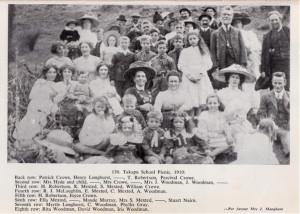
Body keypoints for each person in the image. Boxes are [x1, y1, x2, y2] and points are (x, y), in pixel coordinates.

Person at [13, 65, 59, 141]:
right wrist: (48, 95)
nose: (52, 74)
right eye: (50, 72)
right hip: (36, 106)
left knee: (38, 128)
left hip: (46, 109)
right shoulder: (41, 82)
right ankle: (23, 141)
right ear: (46, 74)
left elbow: (56, 100)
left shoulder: (56, 85)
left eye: (54, 72)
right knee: (30, 126)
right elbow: (31, 96)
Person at [178, 30, 214, 117]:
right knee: (191, 98)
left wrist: (201, 74)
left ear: (198, 39)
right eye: (190, 39)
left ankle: (199, 118)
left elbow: (208, 64)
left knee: (200, 97)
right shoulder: (185, 51)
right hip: (188, 77)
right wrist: (188, 75)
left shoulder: (203, 50)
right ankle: (191, 119)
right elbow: (181, 65)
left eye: (194, 38)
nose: (192, 40)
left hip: (201, 77)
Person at [210, 6, 247, 90]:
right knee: (223, 84)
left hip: (235, 62)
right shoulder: (215, 33)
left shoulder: (237, 32)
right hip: (222, 62)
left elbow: (243, 48)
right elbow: (212, 51)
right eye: (224, 14)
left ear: (232, 17)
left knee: (236, 83)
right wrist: (215, 66)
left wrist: (242, 64)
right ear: (220, 16)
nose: (226, 16)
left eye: (229, 15)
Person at [214, 64, 256, 137]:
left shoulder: (243, 95)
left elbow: (243, 113)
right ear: (228, 79)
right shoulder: (221, 93)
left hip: (239, 123)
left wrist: (239, 120)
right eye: (232, 77)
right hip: (223, 122)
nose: (235, 79)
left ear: (240, 80)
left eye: (237, 78)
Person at [231, 11, 261, 114]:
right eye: (235, 23)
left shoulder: (249, 34)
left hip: (250, 62)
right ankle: (243, 110)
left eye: (239, 22)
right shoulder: (230, 36)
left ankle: (254, 109)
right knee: (240, 85)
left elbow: (257, 47)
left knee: (252, 84)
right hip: (237, 63)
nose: (237, 25)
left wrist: (249, 51)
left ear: (242, 23)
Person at [257, 72, 290, 155]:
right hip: (272, 127)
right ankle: (288, 151)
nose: (277, 86)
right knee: (284, 134)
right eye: (275, 83)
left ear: (285, 82)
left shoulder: (290, 96)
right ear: (272, 82)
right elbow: (261, 114)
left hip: (287, 125)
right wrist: (267, 121)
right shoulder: (265, 96)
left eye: (280, 83)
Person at [196, 94, 233, 160]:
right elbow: (202, 128)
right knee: (197, 133)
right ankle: (213, 152)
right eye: (210, 103)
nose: (212, 105)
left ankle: (211, 155)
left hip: (219, 137)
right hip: (208, 137)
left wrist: (229, 136)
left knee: (229, 143)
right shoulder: (204, 114)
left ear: (218, 104)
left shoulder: (222, 114)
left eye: (214, 103)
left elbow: (226, 127)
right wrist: (206, 137)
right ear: (207, 104)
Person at [261, 11, 290, 90]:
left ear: (280, 19)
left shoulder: (288, 31)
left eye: (276, 19)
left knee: (289, 87)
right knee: (275, 87)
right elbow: (264, 54)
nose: (274, 22)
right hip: (275, 66)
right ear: (269, 21)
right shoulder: (267, 36)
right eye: (272, 20)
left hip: (288, 64)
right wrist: (263, 70)